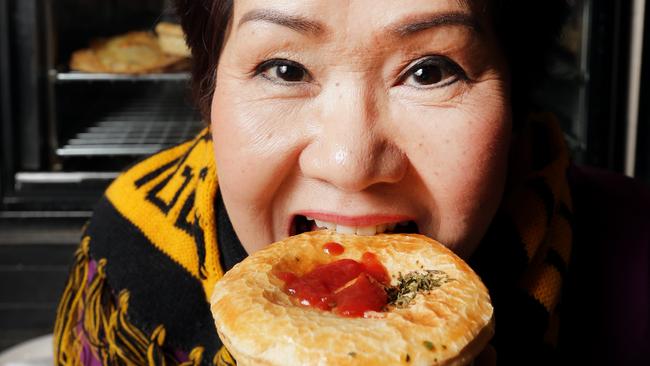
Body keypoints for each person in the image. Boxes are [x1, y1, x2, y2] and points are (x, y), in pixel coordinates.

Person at [53, 0, 650, 365]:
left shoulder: (636, 261)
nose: (350, 162)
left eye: (430, 71)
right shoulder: (125, 260)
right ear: (209, 95)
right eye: (284, 68)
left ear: (517, 100)